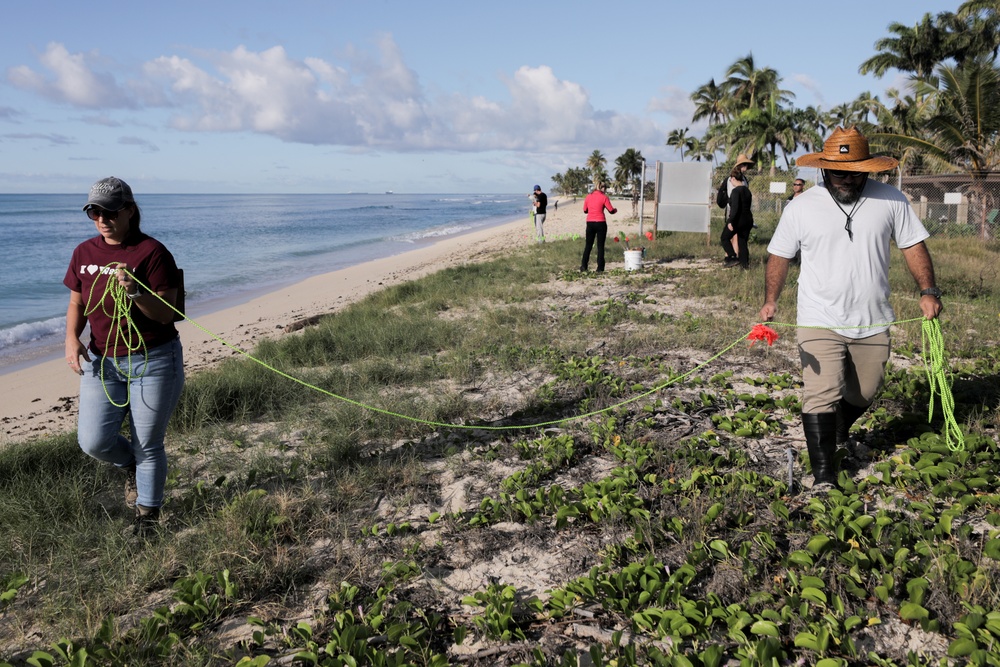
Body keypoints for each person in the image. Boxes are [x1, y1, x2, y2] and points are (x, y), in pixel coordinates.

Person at [757, 126, 943, 490]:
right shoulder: (802, 206)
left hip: (872, 319)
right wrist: (770, 300)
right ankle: (824, 477)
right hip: (818, 317)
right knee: (821, 391)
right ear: (824, 169)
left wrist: (929, 290)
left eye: (855, 173)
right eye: (839, 172)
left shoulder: (891, 200)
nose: (847, 179)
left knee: (865, 391)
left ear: (867, 169)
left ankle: (838, 427)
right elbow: (779, 256)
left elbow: (913, 246)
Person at [64, 177, 185, 533]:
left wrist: (135, 291)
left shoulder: (152, 252)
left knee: (148, 443)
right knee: (94, 441)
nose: (103, 218)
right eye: (94, 211)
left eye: (111, 211)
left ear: (130, 211)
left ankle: (148, 517)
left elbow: (167, 313)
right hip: (102, 361)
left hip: (154, 359)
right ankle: (132, 466)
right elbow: (77, 301)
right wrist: (71, 338)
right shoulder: (83, 253)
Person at [716, 153, 754, 260]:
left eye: (746, 165)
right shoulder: (730, 179)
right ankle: (732, 256)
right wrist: (727, 203)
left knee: (736, 237)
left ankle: (733, 257)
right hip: (733, 211)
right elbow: (724, 196)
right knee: (732, 236)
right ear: (738, 166)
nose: (745, 167)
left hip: (742, 212)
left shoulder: (745, 180)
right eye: (743, 165)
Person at [580, 182, 617, 272]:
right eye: (605, 188)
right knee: (600, 246)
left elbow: (585, 210)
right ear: (602, 188)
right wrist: (615, 210)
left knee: (588, 245)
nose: (605, 190)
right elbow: (611, 210)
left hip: (590, 223)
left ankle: (583, 266)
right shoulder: (604, 197)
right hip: (601, 223)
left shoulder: (588, 197)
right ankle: (600, 268)